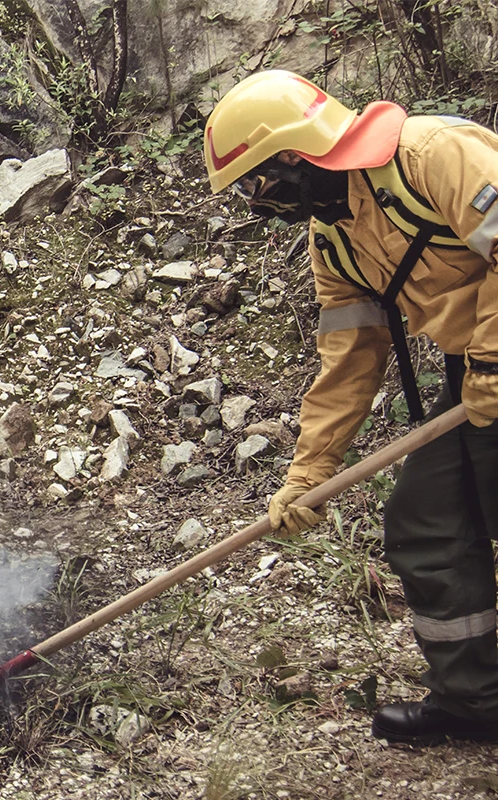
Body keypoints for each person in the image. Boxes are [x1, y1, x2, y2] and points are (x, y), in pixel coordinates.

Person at [203, 69, 498, 745]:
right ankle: (476, 703)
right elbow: (351, 358)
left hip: (490, 361)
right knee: (428, 518)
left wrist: (492, 360)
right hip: (479, 374)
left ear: (293, 156)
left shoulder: (434, 156)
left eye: (256, 181)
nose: (257, 200)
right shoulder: (334, 238)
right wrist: (310, 473)